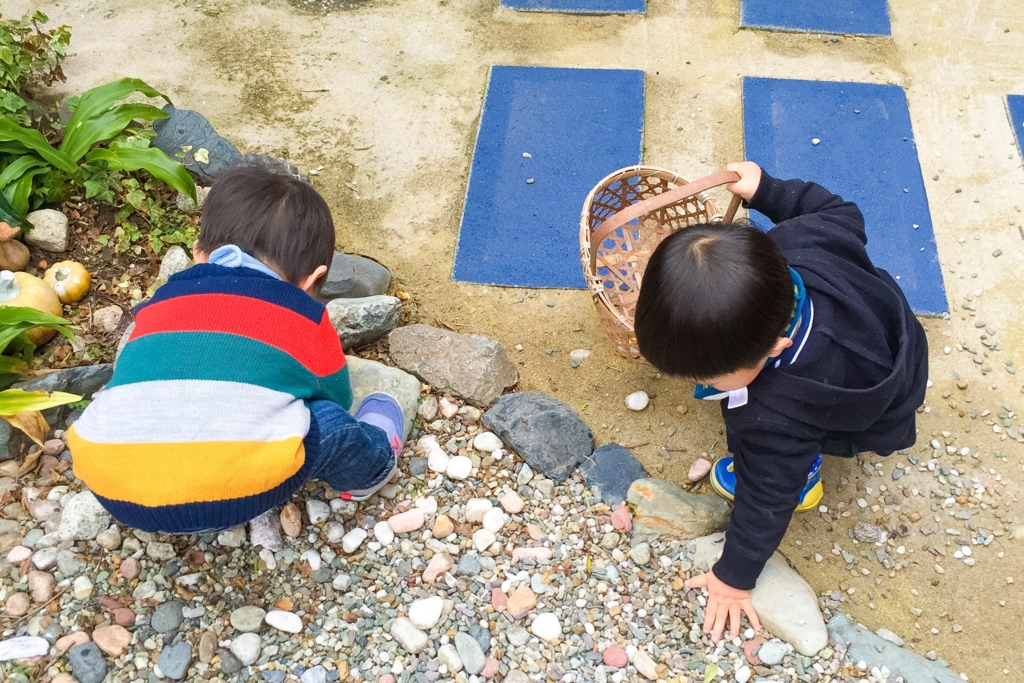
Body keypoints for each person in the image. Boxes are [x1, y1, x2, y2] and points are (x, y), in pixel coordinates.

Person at [634, 161, 928, 643]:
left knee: (777, 470)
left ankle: (808, 473)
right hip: (893, 339)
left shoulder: (771, 415)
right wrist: (767, 189)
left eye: (709, 375)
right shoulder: (800, 242)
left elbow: (766, 501)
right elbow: (839, 207)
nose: (701, 383)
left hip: (865, 408)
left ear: (774, 349)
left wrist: (733, 578)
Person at [67, 165, 403, 534]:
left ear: (199, 254)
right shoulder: (301, 314)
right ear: (312, 279)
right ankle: (372, 470)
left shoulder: (160, 303)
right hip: (228, 497)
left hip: (113, 486)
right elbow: (334, 395)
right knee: (332, 423)